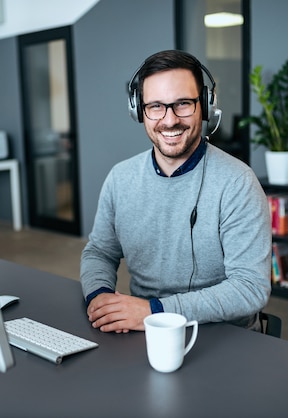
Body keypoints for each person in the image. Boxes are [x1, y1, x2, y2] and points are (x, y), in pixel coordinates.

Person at [80, 50, 271, 333]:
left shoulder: (237, 182)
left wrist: (154, 311)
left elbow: (250, 288)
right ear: (138, 110)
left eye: (182, 103)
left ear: (205, 105)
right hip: (143, 330)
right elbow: (99, 251)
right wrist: (99, 296)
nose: (169, 120)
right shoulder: (120, 178)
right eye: (155, 106)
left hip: (223, 336)